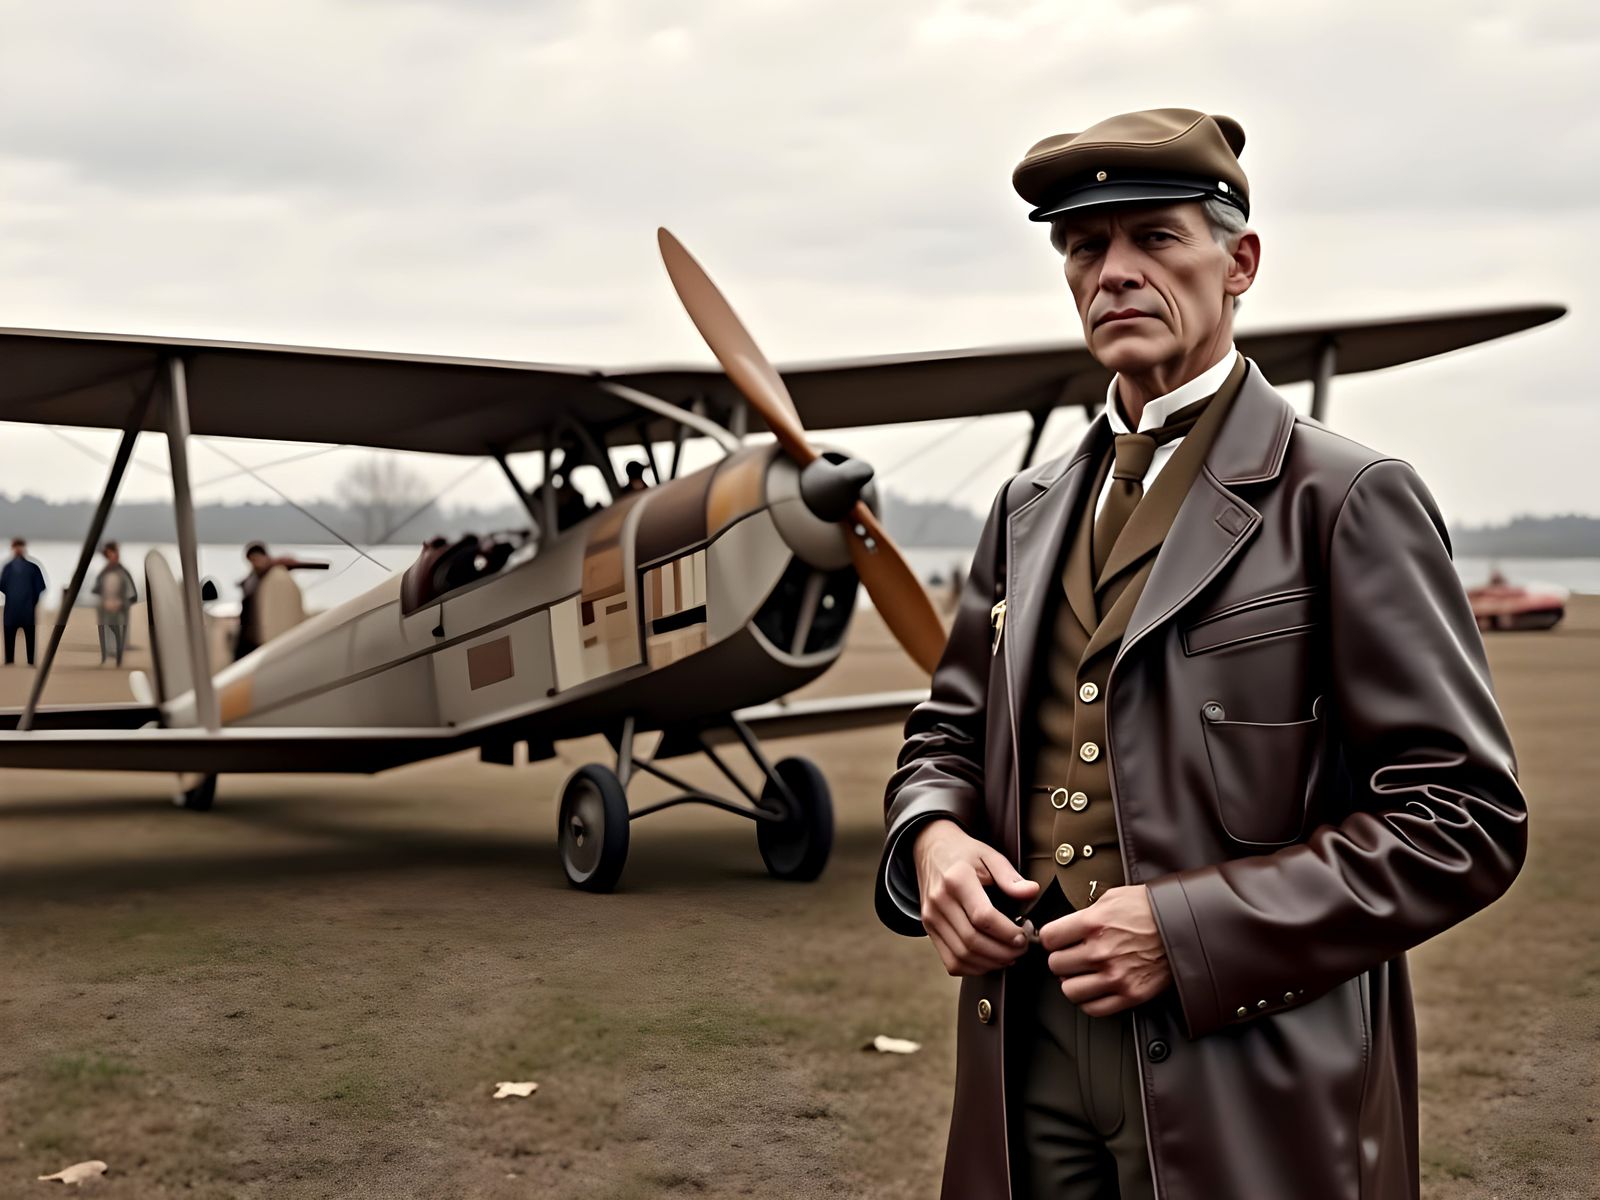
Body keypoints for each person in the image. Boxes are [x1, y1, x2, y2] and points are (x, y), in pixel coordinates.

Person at [874, 109, 1527, 1200]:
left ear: (1240, 263)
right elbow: (946, 732)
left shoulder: (1345, 497)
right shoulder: (1024, 510)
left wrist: (1186, 933)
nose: (1115, 272)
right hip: (1018, 1055)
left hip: (1252, 1074)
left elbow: (1461, 818)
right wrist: (932, 840)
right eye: (1086, 248)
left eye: (1155, 238)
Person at [0, 537, 48, 667]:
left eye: (20, 546)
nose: (18, 549)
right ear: (13, 548)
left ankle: (31, 661)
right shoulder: (8, 568)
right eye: (16, 547)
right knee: (9, 635)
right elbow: (2, 585)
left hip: (28, 608)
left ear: (24, 548)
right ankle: (9, 660)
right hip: (11, 608)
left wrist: (32, 600)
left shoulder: (33, 567)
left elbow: (40, 587)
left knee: (30, 636)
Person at [91, 541, 138, 667]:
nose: (113, 556)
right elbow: (97, 589)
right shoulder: (105, 572)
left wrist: (122, 603)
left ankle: (118, 654)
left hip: (119, 606)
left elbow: (131, 593)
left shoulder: (121, 572)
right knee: (107, 628)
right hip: (107, 606)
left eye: (114, 553)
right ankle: (108, 654)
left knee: (118, 629)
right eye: (110, 554)